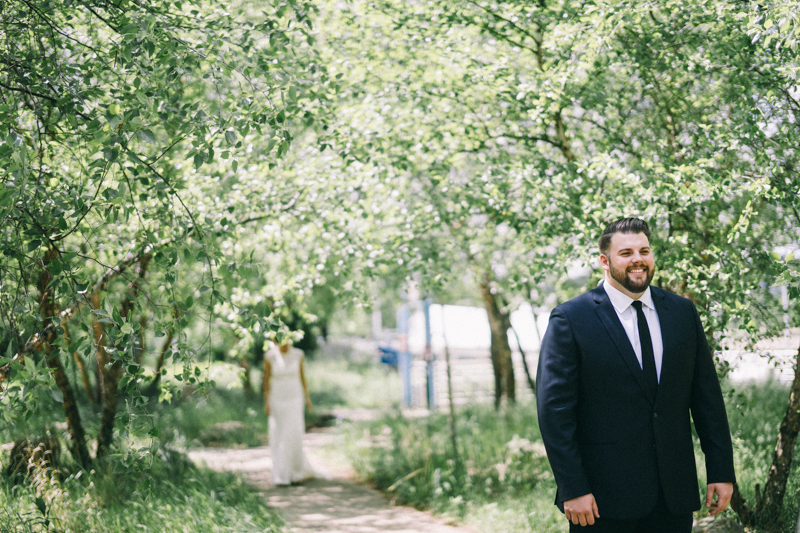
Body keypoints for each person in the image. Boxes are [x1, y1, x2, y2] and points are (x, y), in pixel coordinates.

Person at [536, 217, 736, 532]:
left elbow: (706, 397)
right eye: (626, 253)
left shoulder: (682, 313)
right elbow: (554, 412)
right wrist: (572, 486)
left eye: (644, 250)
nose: (638, 259)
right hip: (601, 500)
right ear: (605, 261)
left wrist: (721, 470)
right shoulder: (571, 319)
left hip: (673, 496)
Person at [263, 335, 314, 486]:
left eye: (286, 342)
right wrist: (267, 402)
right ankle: (281, 474)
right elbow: (266, 380)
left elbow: (302, 377)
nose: (284, 346)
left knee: (294, 432)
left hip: (295, 397)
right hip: (277, 398)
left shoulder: (298, 354)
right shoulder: (269, 356)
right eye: (280, 343)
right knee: (279, 433)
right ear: (275, 342)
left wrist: (307, 398)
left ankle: (297, 472)